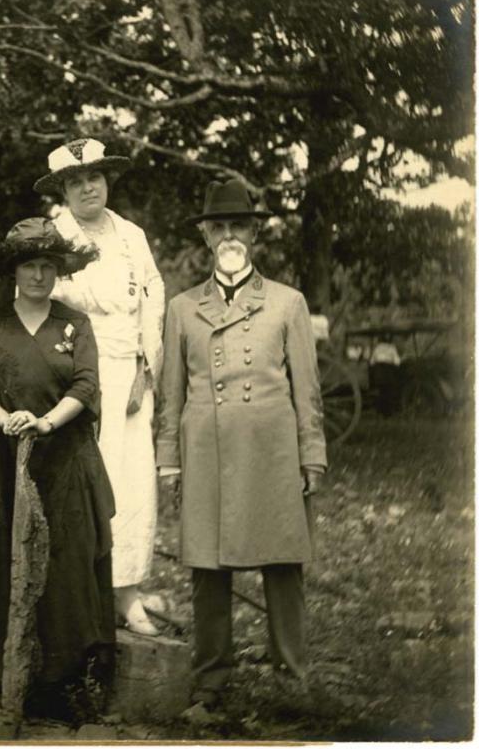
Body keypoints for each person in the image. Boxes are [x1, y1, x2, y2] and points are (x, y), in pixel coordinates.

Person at [156, 179, 327, 708]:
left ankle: (292, 675)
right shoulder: (183, 308)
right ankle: (211, 679)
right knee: (207, 566)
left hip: (272, 445)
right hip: (206, 447)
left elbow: (308, 385)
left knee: (282, 562)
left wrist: (311, 452)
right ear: (206, 236)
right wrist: (169, 462)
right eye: (219, 227)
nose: (229, 236)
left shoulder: (287, 302)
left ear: (254, 234)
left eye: (239, 226)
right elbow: (172, 393)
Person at [0, 217, 116, 719]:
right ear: (13, 271)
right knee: (4, 561)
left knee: (66, 568)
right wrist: (8, 421)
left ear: (58, 271)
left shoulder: (75, 324)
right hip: (4, 466)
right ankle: (6, 676)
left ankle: (64, 680)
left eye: (48, 266)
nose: (39, 276)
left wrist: (46, 423)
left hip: (65, 462)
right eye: (30, 265)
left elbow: (87, 386)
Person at [36, 138, 165, 636]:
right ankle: (77, 594)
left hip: (127, 377)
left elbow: (153, 299)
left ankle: (126, 594)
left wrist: (143, 368)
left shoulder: (132, 235)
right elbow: (40, 311)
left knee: (130, 484)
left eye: (95, 177)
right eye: (75, 181)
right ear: (63, 191)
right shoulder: (52, 240)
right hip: (73, 379)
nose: (88, 187)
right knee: (80, 483)